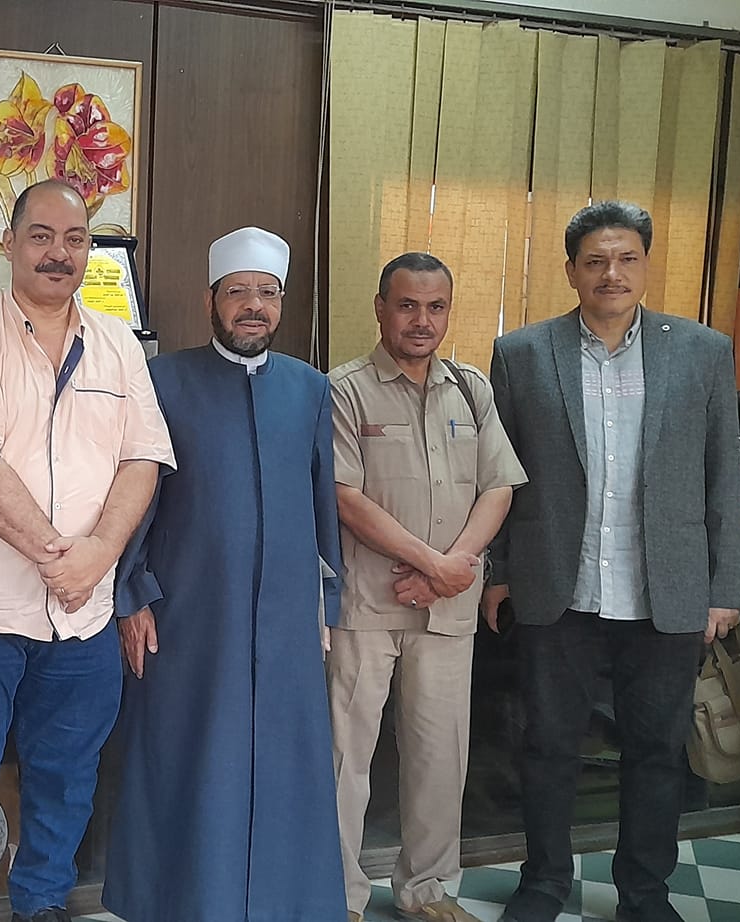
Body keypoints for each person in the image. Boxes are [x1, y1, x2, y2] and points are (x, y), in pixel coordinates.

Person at [0, 179, 174, 922]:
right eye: (41, 236)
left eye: (74, 239)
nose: (58, 254)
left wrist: (100, 554)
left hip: (84, 618)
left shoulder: (117, 344)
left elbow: (144, 458)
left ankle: (41, 905)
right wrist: (65, 557)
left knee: (67, 778)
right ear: (9, 245)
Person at [484, 201, 740, 922]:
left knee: (657, 751)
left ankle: (644, 893)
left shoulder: (702, 351)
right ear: (571, 270)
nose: (612, 273)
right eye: (595, 260)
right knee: (547, 746)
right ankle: (543, 883)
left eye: (627, 258)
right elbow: (498, 475)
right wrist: (498, 572)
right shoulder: (522, 353)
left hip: (668, 589)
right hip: (556, 586)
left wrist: (724, 585)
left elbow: (723, 476)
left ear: (646, 265)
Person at [101, 225, 343, 921]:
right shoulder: (164, 381)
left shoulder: (310, 389)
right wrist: (131, 598)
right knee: (190, 764)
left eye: (267, 293)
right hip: (189, 617)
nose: (253, 306)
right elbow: (135, 499)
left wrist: (325, 608)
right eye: (239, 292)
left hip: (286, 622)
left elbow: (323, 505)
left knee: (285, 768)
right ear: (212, 300)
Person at [327, 253, 527, 922]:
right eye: (407, 305)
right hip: (366, 605)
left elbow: (499, 486)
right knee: (345, 758)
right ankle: (340, 895)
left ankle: (427, 890)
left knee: (441, 755)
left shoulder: (470, 389)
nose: (421, 320)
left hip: (449, 608)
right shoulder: (344, 389)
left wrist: (454, 565)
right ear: (380, 308)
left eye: (434, 307)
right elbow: (344, 496)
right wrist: (432, 563)